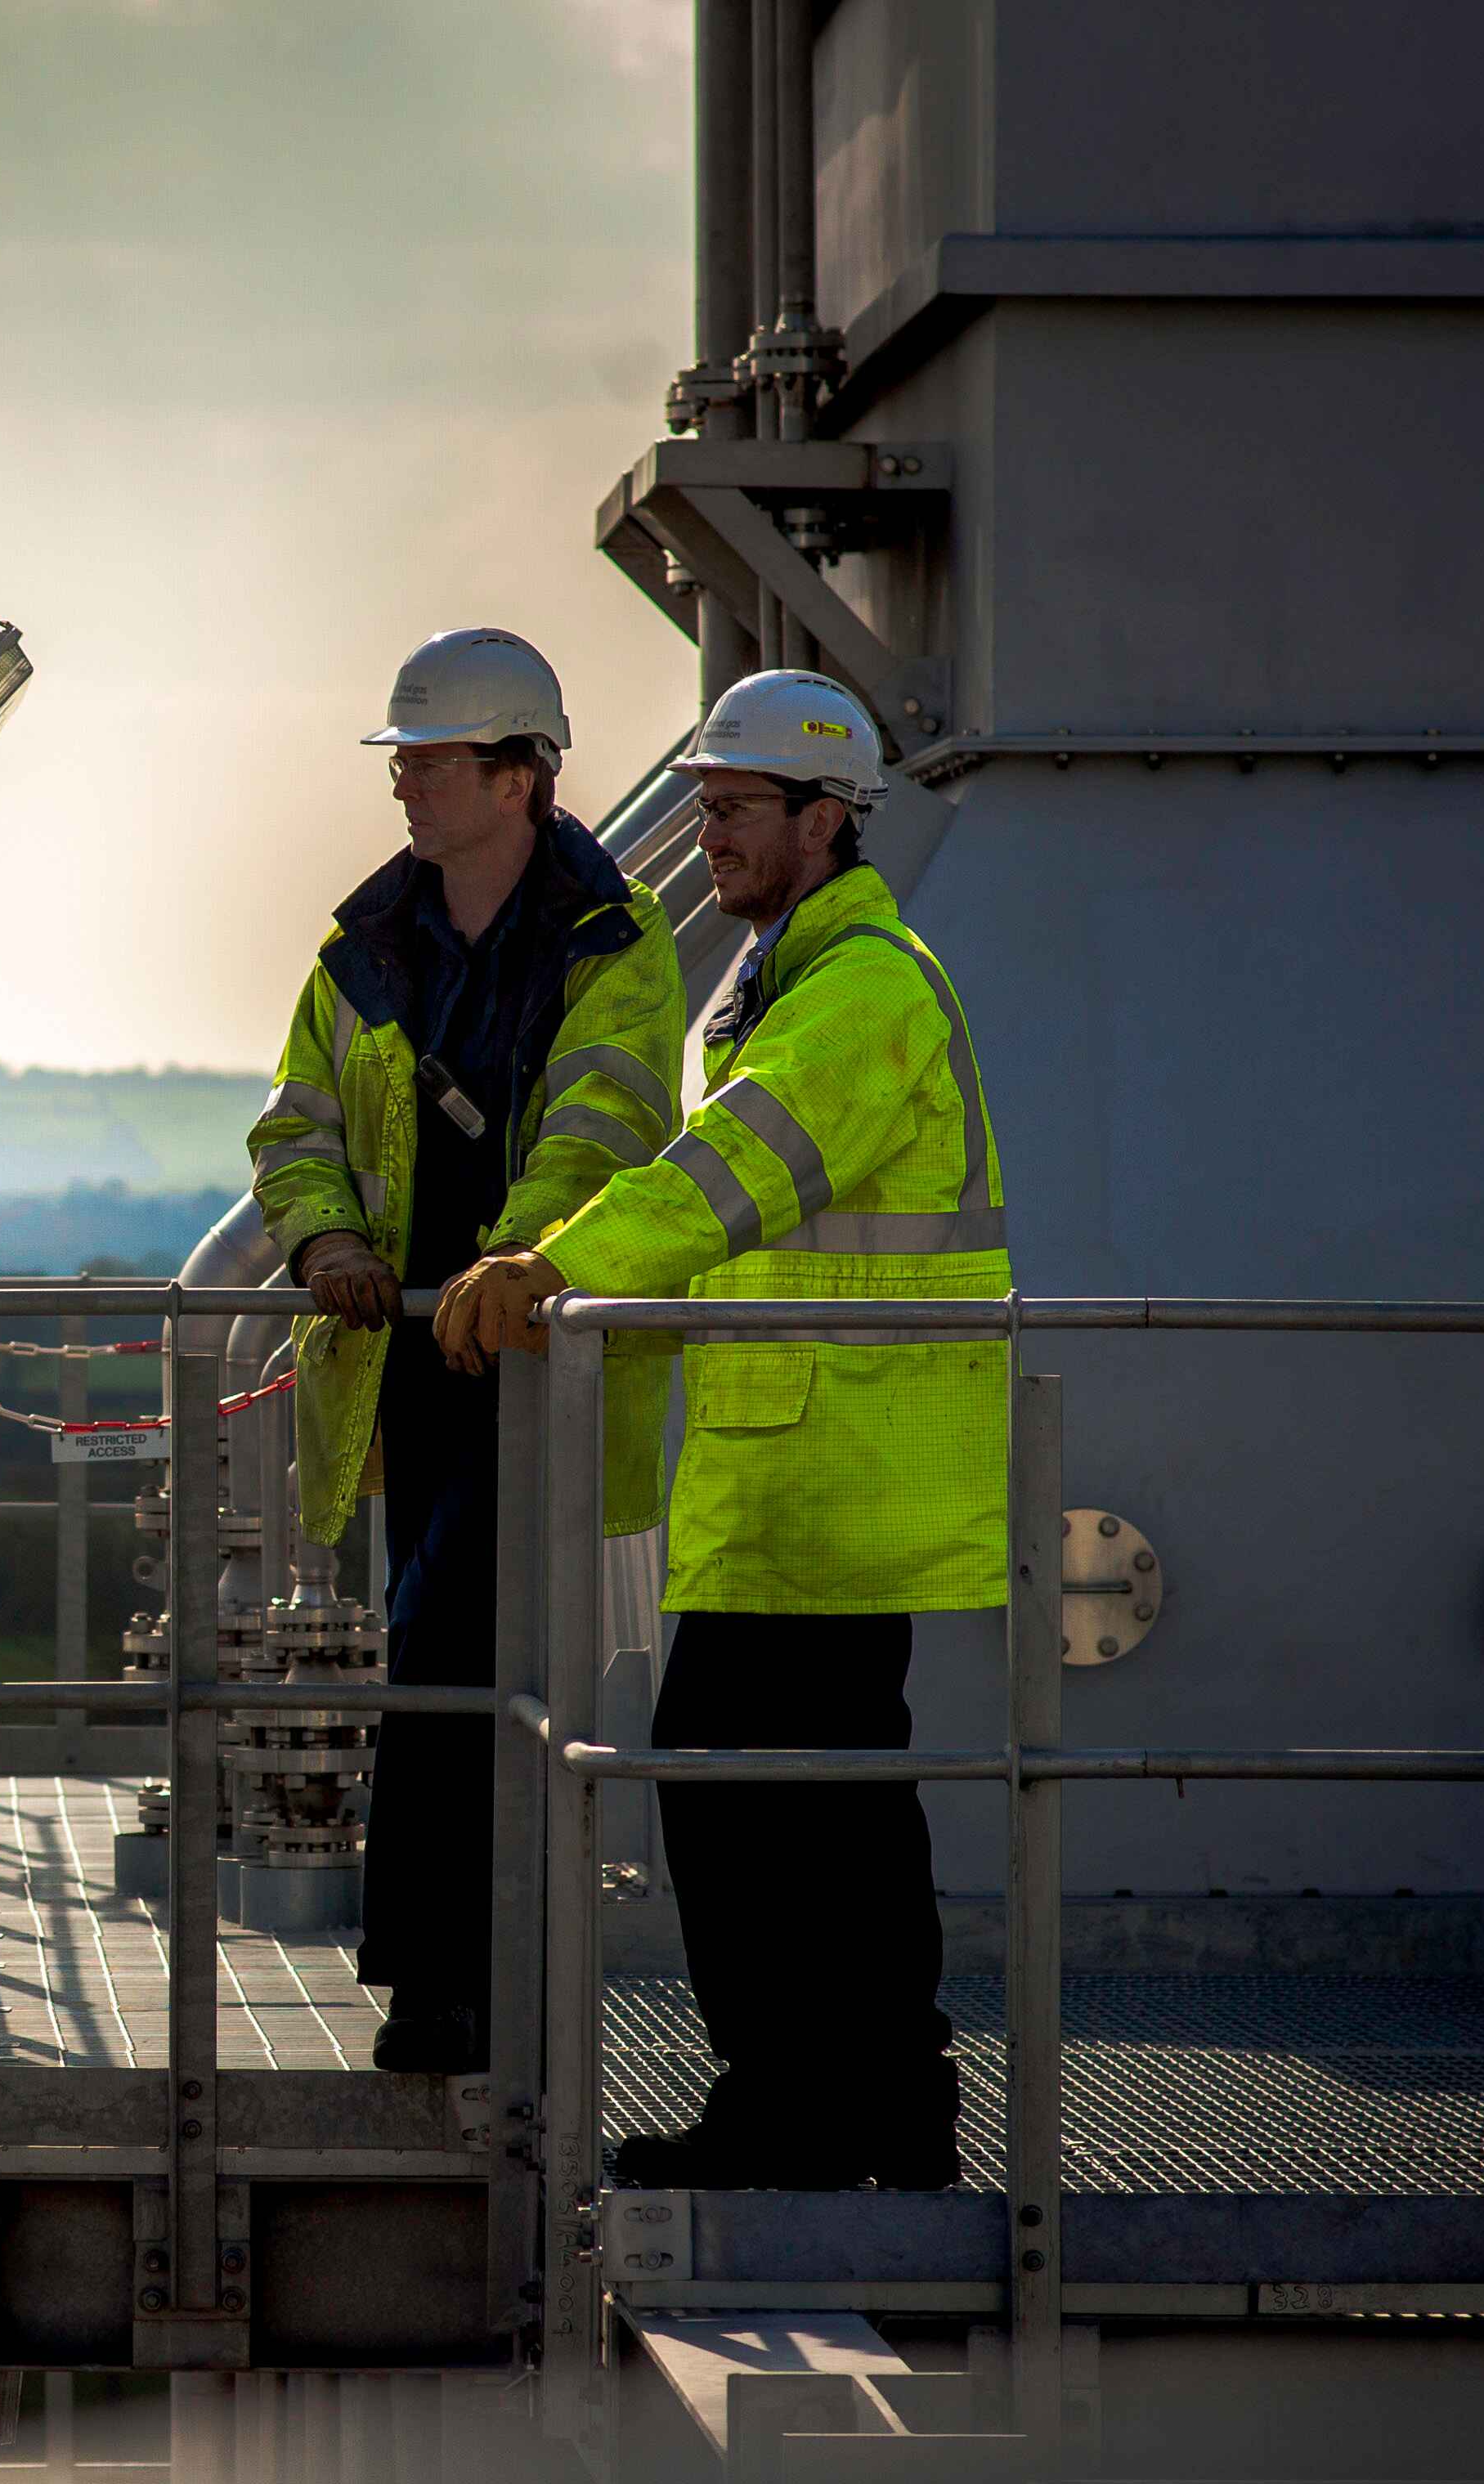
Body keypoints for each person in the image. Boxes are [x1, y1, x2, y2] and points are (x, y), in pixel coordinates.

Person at [432, 668, 1009, 2187]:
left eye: (737, 811)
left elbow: (722, 1180)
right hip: (792, 1465)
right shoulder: (786, 986)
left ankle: (810, 2110)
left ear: (830, 821)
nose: (708, 840)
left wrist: (555, 1265)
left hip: (844, 1467)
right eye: (702, 808)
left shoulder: (864, 993)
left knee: (765, 1798)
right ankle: (874, 2107)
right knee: (815, 1805)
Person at [248, 629, 689, 2077]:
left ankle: (455, 1985)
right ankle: (462, 1982)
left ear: (521, 777)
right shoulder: (361, 954)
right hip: (407, 1367)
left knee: (460, 1657)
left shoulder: (614, 953)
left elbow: (602, 1133)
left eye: (431, 762)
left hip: (534, 1363)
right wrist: (325, 1247)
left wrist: (503, 1274)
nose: (407, 789)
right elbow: (296, 1128)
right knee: (450, 1661)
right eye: (405, 762)